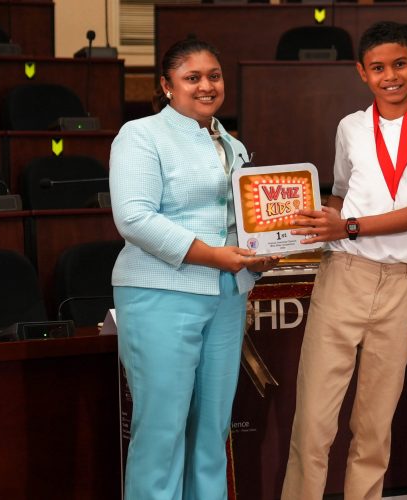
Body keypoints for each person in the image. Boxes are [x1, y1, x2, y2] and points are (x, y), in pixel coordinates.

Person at [281, 21, 407, 500]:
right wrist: (313, 225)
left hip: (402, 283)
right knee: (314, 422)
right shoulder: (350, 127)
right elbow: (342, 197)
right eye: (378, 68)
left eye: (400, 64)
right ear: (362, 72)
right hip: (345, 275)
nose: (391, 77)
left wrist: (352, 225)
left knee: (374, 426)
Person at [110, 37, 279, 500]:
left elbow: (241, 222)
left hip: (227, 296)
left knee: (213, 431)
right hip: (159, 294)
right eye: (193, 78)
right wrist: (214, 255)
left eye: (214, 76)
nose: (207, 86)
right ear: (167, 86)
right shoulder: (141, 135)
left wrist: (261, 251)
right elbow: (134, 219)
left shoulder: (234, 144)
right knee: (162, 430)